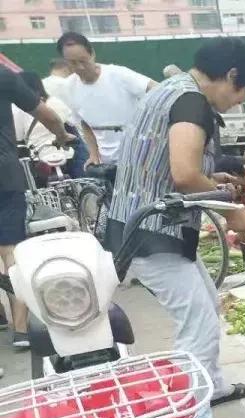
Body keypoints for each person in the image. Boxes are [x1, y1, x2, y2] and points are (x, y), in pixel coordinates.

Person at [105, 38, 245, 418]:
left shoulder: (168, 89)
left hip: (143, 223)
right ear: (231, 76)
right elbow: (184, 173)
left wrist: (216, 186)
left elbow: (172, 167)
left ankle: (216, 386)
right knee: (196, 326)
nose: (238, 102)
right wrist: (231, 211)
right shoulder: (192, 102)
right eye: (242, 92)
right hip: (153, 232)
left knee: (207, 305)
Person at [0, 66, 72, 350]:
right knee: (12, 250)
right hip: (4, 176)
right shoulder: (3, 75)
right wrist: (61, 135)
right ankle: (21, 330)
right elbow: (47, 114)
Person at [58, 32, 155, 167]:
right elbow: (84, 123)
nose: (80, 67)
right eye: (73, 63)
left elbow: (157, 89)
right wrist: (93, 154)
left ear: (92, 53)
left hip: (142, 156)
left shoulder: (118, 74)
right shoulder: (69, 86)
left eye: (83, 61)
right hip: (108, 161)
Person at [12, 70, 79, 177]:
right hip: (66, 154)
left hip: (39, 157)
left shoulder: (17, 108)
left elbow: (18, 137)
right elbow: (72, 123)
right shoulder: (55, 101)